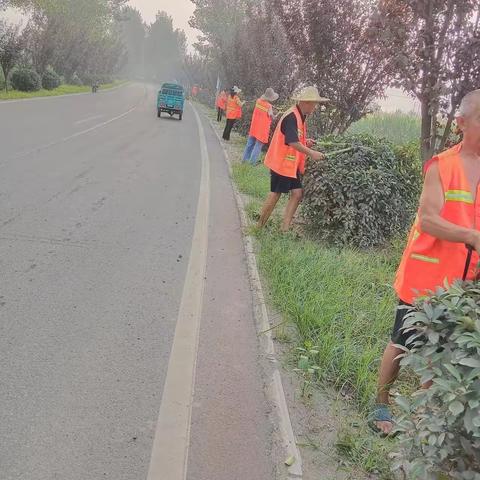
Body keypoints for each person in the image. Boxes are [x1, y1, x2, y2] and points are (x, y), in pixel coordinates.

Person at [371, 89, 480, 436]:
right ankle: (381, 405)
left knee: (443, 353)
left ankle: (419, 421)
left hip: (463, 284)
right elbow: (430, 219)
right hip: (424, 276)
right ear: (462, 123)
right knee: (402, 342)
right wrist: (472, 237)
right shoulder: (442, 166)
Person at [257, 86, 329, 232]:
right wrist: (311, 153)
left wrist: (305, 141)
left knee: (297, 193)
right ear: (306, 103)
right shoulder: (292, 116)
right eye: (314, 104)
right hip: (281, 163)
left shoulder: (300, 116)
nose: (315, 107)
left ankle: (284, 229)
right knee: (275, 193)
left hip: (290, 164)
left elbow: (294, 137)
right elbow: (292, 142)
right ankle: (259, 226)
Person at [242, 87, 279, 165]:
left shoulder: (258, 101)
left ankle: (244, 161)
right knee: (258, 146)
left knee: (250, 144)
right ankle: (252, 163)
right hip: (262, 129)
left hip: (254, 127)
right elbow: (271, 116)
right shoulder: (269, 106)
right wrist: (275, 116)